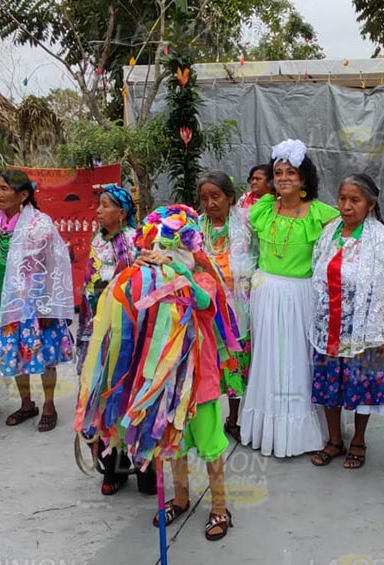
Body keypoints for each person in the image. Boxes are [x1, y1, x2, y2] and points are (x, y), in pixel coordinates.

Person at [77, 204, 240, 540]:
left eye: (178, 248)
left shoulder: (203, 278)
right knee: (173, 445)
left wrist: (179, 273)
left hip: (200, 381)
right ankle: (180, 498)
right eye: (162, 248)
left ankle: (220, 507)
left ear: (193, 249)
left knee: (210, 446)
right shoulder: (150, 279)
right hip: (164, 382)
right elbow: (128, 307)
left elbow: (205, 304)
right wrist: (134, 274)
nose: (168, 254)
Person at [239, 139, 340, 458]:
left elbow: (355, 234)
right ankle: (266, 428)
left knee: (297, 360)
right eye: (278, 172)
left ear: (304, 178)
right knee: (267, 359)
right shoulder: (262, 209)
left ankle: (299, 433)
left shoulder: (322, 213)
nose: (283, 178)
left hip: (301, 295)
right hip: (266, 292)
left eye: (291, 173)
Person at [0, 169, 75, 433]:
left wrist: (50, 304)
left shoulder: (40, 224)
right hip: (3, 298)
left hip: (34, 302)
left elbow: (56, 264)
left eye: (4, 189)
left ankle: (49, 404)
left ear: (23, 194)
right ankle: (27, 403)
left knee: (44, 354)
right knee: (15, 353)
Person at [309, 174, 384, 469]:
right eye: (343, 199)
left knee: (361, 386)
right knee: (328, 384)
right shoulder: (330, 231)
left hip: (362, 328)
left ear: (370, 205)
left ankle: (358, 439)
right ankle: (334, 440)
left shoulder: (380, 238)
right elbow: (316, 272)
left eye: (355, 200)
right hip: (328, 325)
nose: (347, 206)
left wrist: (383, 334)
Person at [77, 184, 144, 494]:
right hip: (102, 333)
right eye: (99, 205)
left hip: (131, 331)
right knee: (106, 396)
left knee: (134, 394)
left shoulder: (135, 242)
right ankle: (114, 468)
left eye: (106, 205)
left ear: (123, 211)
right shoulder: (97, 241)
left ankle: (146, 466)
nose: (99, 211)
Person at [198, 171, 257, 436]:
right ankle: (204, 419)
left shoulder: (246, 223)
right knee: (208, 364)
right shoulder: (195, 228)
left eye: (216, 196)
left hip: (239, 308)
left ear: (230, 197)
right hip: (206, 307)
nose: (210, 203)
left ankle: (233, 419)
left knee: (235, 363)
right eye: (204, 198)